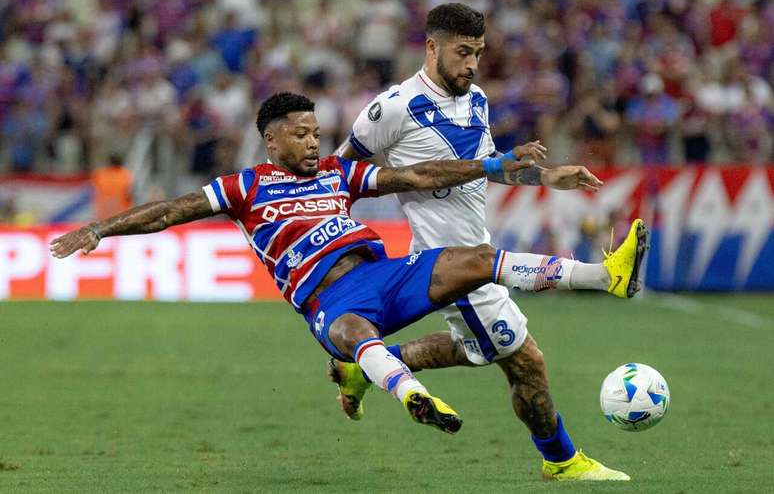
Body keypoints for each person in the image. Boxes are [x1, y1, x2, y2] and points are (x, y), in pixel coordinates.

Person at [51, 92, 645, 449]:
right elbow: (172, 211)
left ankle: (605, 277)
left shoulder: (338, 174)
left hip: (386, 275)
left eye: (317, 132)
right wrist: (99, 229)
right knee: (354, 337)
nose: (314, 142)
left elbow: (417, 177)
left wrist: (493, 162)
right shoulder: (244, 186)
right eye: (301, 134)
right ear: (270, 139)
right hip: (330, 301)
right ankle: (415, 395)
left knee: (478, 261)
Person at [335, 3, 638, 481]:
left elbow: (488, 167)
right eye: (462, 52)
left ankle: (372, 364)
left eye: (478, 52)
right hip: (454, 266)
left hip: (477, 248)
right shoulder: (391, 108)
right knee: (526, 362)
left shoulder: (476, 99)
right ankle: (561, 460)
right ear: (432, 47)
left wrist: (548, 176)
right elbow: (338, 177)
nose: (472, 64)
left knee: (476, 348)